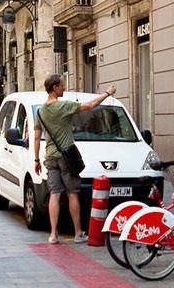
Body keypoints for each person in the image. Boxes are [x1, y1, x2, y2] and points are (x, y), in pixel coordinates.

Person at [33, 75, 116, 245]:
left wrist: (36, 160)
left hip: (50, 157)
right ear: (55, 87)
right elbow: (91, 105)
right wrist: (107, 93)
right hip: (66, 158)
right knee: (72, 194)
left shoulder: (40, 111)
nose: (64, 88)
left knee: (54, 195)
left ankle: (53, 234)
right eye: (62, 86)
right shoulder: (64, 105)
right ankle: (78, 233)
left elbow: (36, 138)